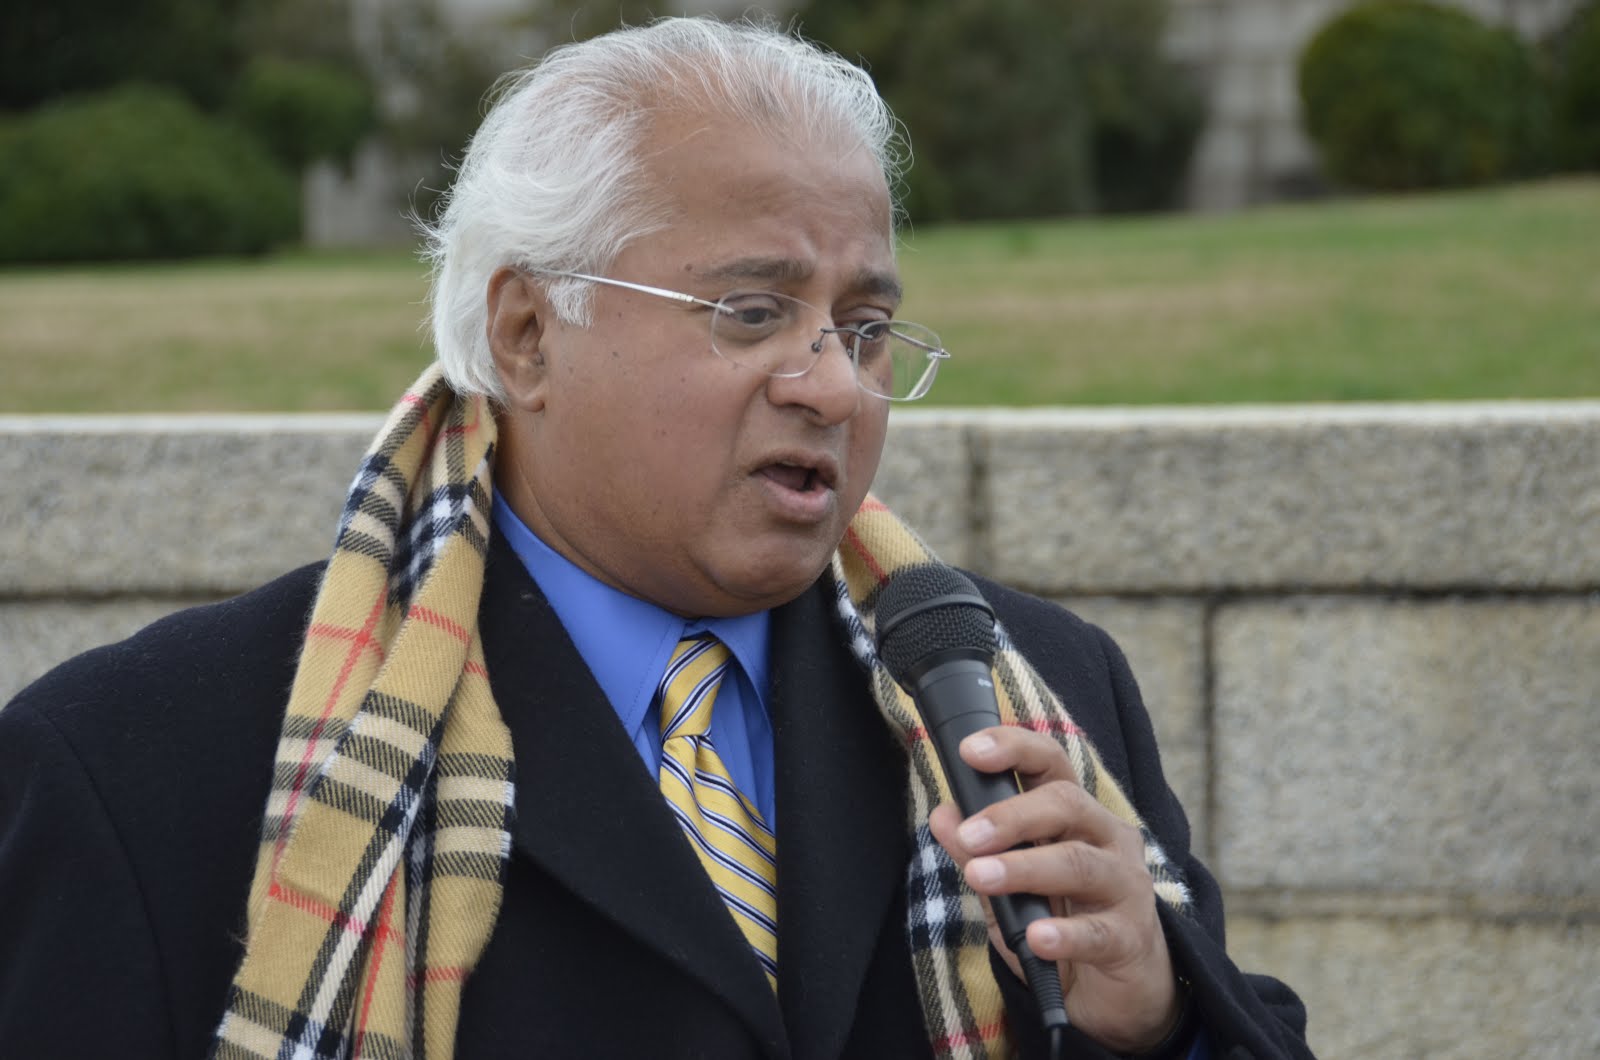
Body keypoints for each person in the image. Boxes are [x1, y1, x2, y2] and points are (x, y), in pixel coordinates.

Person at [0, 17, 1312, 1060]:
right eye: (752, 312)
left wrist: (1156, 1024)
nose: (835, 386)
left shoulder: (1035, 698)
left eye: (864, 328)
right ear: (526, 334)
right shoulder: (142, 770)